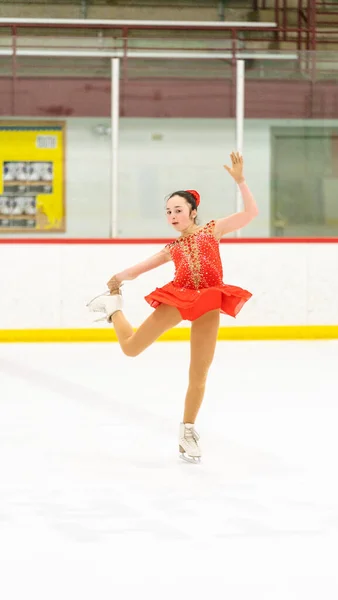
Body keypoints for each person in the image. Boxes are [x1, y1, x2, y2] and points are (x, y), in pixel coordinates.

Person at [87, 152, 258, 463]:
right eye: (168, 212)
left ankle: (188, 431)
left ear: (193, 211)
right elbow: (142, 267)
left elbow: (250, 213)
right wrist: (117, 278)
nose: (173, 216)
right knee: (131, 348)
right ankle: (114, 309)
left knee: (199, 372)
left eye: (178, 210)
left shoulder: (213, 230)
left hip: (208, 300)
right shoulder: (173, 248)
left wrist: (241, 181)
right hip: (179, 298)